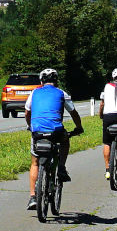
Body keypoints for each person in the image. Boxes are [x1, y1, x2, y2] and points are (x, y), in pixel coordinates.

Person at [24, 68, 82, 209]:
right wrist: (79, 127)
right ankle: (61, 167)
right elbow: (73, 113)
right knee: (65, 140)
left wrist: (30, 126)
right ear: (56, 81)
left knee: (35, 163)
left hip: (37, 131)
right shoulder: (62, 93)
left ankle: (32, 197)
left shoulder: (34, 92)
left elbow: (27, 112)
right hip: (55, 131)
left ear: (41, 81)